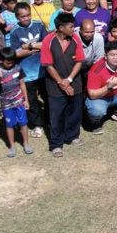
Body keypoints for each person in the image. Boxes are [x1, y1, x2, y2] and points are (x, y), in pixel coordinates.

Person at [41, 13, 85, 157]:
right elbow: (48, 65)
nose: (74, 29)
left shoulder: (75, 39)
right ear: (61, 28)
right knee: (56, 115)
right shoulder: (48, 41)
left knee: (75, 111)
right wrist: (62, 83)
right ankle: (56, 144)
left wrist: (69, 80)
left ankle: (72, 136)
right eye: (71, 26)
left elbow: (79, 61)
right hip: (54, 85)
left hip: (75, 82)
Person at [5, 2, 46, 138]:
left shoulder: (39, 25)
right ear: (17, 17)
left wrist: (28, 46)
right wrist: (35, 48)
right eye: (23, 16)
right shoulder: (14, 31)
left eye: (28, 15)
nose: (26, 18)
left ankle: (49, 119)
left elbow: (46, 44)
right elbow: (16, 53)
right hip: (27, 73)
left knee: (47, 96)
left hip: (43, 69)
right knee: (32, 100)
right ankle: (37, 124)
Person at [0, 47, 33, 157]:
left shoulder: (18, 69)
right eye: (7, 63)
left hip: (20, 101)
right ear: (1, 60)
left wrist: (26, 100)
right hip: (6, 104)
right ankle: (12, 146)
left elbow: (22, 84)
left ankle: (26, 143)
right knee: (9, 125)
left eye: (12, 62)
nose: (10, 65)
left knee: (23, 123)